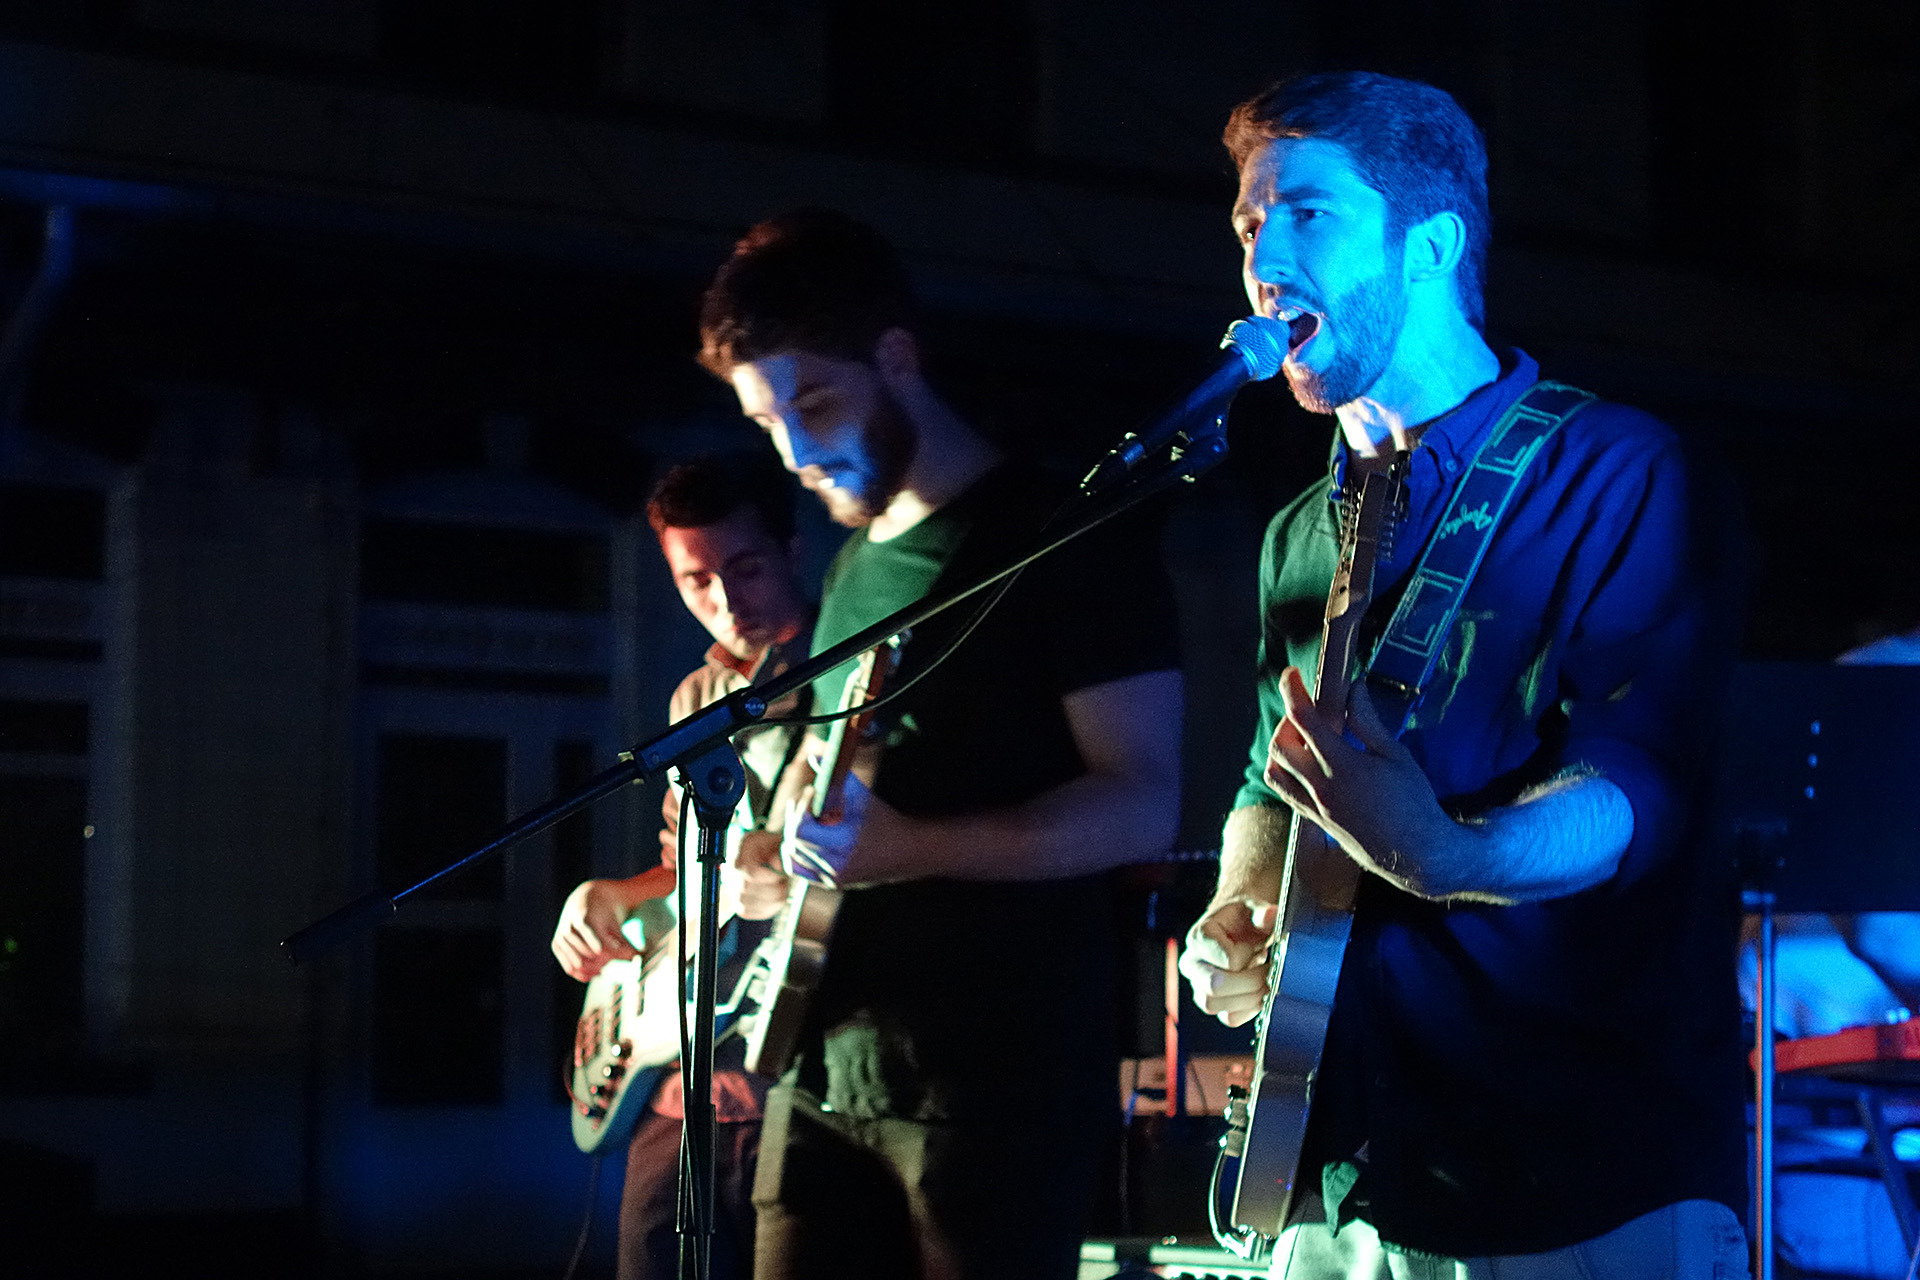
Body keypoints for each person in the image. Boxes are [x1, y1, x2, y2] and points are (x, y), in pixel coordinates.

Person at [1175, 72, 1750, 1279]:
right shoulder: (1296, 535)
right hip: (1339, 1170)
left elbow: (1638, 782)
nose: (1263, 260)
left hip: (1576, 1175)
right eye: (1249, 223)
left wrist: (1442, 852)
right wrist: (1239, 901)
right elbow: (1269, 779)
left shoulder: (1619, 469)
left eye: (1308, 214)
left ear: (1430, 245)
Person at [696, 208, 1184, 1280]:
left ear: (896, 357)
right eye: (768, 422)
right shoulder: (850, 567)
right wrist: (774, 856)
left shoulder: (1063, 535)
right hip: (821, 1064)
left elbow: (1143, 800)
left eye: (814, 404)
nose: (796, 453)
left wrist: (911, 848)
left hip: (994, 1090)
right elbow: (829, 791)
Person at [550, 457, 813, 1280]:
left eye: (747, 568)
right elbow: (686, 869)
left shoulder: (848, 677)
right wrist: (608, 894)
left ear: (792, 549)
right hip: (679, 1086)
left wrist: (793, 879)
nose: (726, 601)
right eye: (696, 580)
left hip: (795, 1089)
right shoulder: (696, 696)